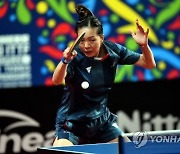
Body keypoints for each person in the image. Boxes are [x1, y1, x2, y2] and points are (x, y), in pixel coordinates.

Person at [52, 4, 156, 146]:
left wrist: (144, 46)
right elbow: (56, 81)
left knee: (127, 150)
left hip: (102, 123)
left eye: (92, 40)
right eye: (81, 41)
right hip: (71, 125)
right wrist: (64, 61)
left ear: (101, 38)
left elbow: (149, 64)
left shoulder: (113, 51)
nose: (86, 46)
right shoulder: (73, 55)